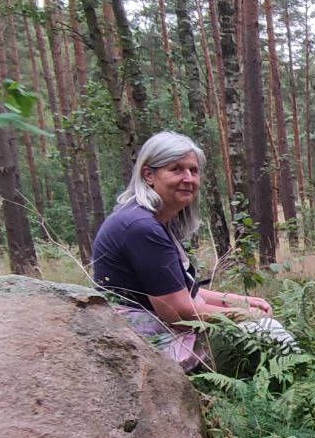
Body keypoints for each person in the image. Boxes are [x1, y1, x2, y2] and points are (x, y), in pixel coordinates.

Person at [91, 131, 293, 369]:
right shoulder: (141, 228)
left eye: (193, 171)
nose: (188, 178)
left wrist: (239, 301)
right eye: (176, 169)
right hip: (146, 341)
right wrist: (243, 315)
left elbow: (182, 292)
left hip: (149, 329)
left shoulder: (148, 220)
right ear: (148, 175)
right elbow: (178, 312)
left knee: (262, 327)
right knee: (270, 333)